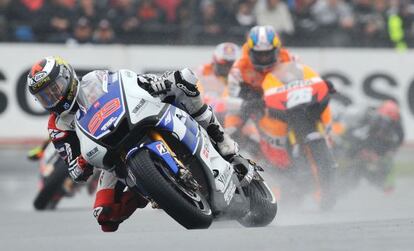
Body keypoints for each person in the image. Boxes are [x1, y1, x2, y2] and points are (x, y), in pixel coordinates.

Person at [26, 56, 254, 232]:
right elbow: (72, 166)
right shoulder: (58, 126)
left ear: (67, 77)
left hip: (135, 117)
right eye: (46, 96)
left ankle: (223, 143)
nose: (53, 97)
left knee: (184, 83)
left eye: (54, 88)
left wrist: (158, 84)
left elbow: (128, 82)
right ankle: (152, 190)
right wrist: (81, 165)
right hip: (111, 155)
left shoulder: (94, 80)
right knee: (105, 216)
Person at [225, 25, 296, 136]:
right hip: (255, 102)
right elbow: (230, 99)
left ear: (276, 50)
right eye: (259, 54)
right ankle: (232, 146)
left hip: (283, 99)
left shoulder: (289, 58)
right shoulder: (239, 68)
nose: (264, 58)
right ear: (250, 52)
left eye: (267, 54)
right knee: (231, 127)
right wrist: (246, 103)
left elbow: (304, 77)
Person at [340, 100, 404, 192]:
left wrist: (380, 156)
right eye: (382, 120)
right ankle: (344, 184)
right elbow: (350, 138)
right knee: (353, 165)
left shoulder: (394, 132)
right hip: (357, 153)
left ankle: (384, 186)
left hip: (375, 156)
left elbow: (394, 146)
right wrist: (362, 151)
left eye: (389, 121)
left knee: (385, 165)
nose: (384, 125)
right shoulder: (366, 122)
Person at [196, 42, 241, 121]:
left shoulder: (240, 77)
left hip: (230, 115)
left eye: (230, 65)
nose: (227, 68)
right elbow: (196, 93)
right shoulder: (203, 71)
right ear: (215, 61)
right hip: (206, 114)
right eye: (223, 64)